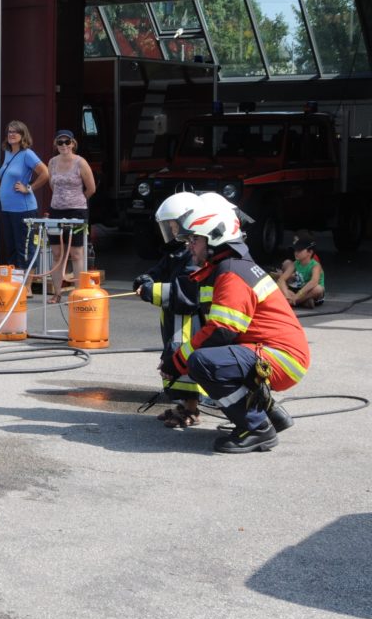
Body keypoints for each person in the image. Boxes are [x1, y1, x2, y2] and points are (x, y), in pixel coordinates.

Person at [158, 195, 307, 453]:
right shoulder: (228, 268)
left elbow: (221, 331)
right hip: (275, 353)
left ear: (214, 236)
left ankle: (257, 429)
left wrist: (178, 359)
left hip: (279, 357)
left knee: (204, 362)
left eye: (194, 239)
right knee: (209, 358)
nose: (189, 246)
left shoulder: (232, 273)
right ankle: (268, 412)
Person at [132, 192, 206, 428]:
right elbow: (160, 270)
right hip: (174, 320)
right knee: (173, 357)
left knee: (182, 359)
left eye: (175, 227)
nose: (173, 232)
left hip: (188, 322)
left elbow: (184, 293)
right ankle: (184, 405)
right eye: (170, 227)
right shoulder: (178, 252)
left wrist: (149, 291)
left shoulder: (195, 256)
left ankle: (192, 409)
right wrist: (145, 279)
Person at [45, 129, 96, 302]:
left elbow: (91, 188)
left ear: (73, 144)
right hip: (56, 210)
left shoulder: (80, 163)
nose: (64, 145)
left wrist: (78, 201)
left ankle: (78, 293)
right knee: (57, 252)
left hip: (76, 210)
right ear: (56, 145)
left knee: (76, 253)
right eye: (60, 142)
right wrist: (61, 200)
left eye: (67, 142)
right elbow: (53, 185)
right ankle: (57, 292)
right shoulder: (52, 162)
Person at [0, 120, 49, 272]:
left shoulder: (27, 154)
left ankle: (27, 287)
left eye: (16, 132)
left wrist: (29, 188)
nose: (12, 134)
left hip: (23, 209)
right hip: (7, 208)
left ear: (23, 135)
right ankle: (14, 284)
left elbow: (45, 173)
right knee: (11, 247)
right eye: (9, 131)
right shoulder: (8, 153)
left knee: (25, 248)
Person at [275, 230, 325, 309]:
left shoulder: (315, 265)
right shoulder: (295, 263)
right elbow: (282, 280)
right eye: (295, 250)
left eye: (299, 250)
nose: (296, 253)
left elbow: (313, 282)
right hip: (298, 290)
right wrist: (287, 295)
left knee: (318, 289)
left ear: (310, 252)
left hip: (308, 291)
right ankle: (300, 301)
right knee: (278, 285)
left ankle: (295, 302)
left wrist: (297, 296)